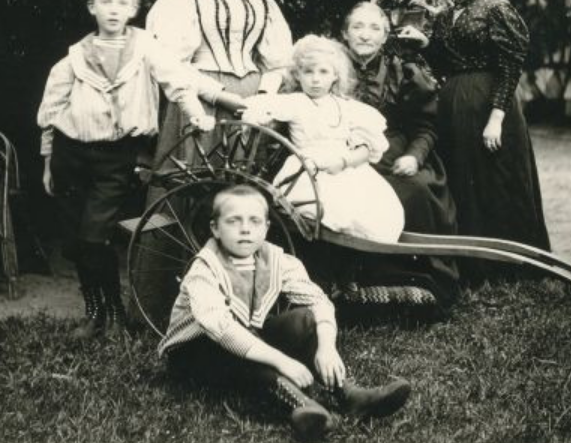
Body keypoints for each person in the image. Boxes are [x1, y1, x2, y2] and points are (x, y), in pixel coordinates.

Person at [158, 185, 411, 441]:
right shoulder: (205, 268)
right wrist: (281, 360)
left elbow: (318, 301)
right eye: (233, 221)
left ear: (266, 227)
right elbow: (222, 329)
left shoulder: (275, 259)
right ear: (215, 228)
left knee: (305, 318)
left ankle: (350, 394)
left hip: (247, 338)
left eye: (254, 221)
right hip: (197, 354)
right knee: (240, 349)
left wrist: (327, 346)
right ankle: (303, 407)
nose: (245, 229)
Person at [37, 0, 201, 338]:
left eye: (122, 3)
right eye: (106, 2)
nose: (114, 10)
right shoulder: (75, 57)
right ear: (92, 8)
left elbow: (176, 80)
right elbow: (51, 109)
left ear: (133, 10)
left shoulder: (145, 48)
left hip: (115, 157)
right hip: (70, 153)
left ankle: (114, 314)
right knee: (76, 241)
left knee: (96, 236)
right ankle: (94, 312)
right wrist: (48, 160)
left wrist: (196, 113)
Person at [397, 0, 551, 251]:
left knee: (495, 181)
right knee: (462, 179)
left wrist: (496, 118)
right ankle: (473, 261)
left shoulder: (496, 10)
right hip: (454, 105)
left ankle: (510, 262)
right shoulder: (444, 17)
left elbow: (510, 67)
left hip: (489, 104)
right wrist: (425, 43)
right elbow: (445, 64)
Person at [144, 0, 294, 180]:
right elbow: (170, 63)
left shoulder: (263, 4)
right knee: (194, 177)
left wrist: (263, 98)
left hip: (252, 101)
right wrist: (218, 95)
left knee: (242, 179)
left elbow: (279, 62)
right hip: (200, 98)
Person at [241, 35, 405, 242]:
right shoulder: (297, 102)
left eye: (323, 72)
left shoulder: (346, 106)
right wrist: (264, 111)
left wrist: (344, 161)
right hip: (311, 170)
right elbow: (256, 106)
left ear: (335, 75)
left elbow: (365, 148)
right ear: (297, 75)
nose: (316, 79)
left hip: (345, 167)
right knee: (340, 209)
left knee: (376, 208)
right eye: (308, 72)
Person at [342, 1, 457, 235]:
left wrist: (413, 157)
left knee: (417, 189)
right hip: (345, 155)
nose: (365, 36)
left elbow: (427, 125)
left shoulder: (403, 71)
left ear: (385, 37)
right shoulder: (330, 69)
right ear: (345, 34)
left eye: (375, 28)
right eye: (358, 27)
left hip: (393, 154)